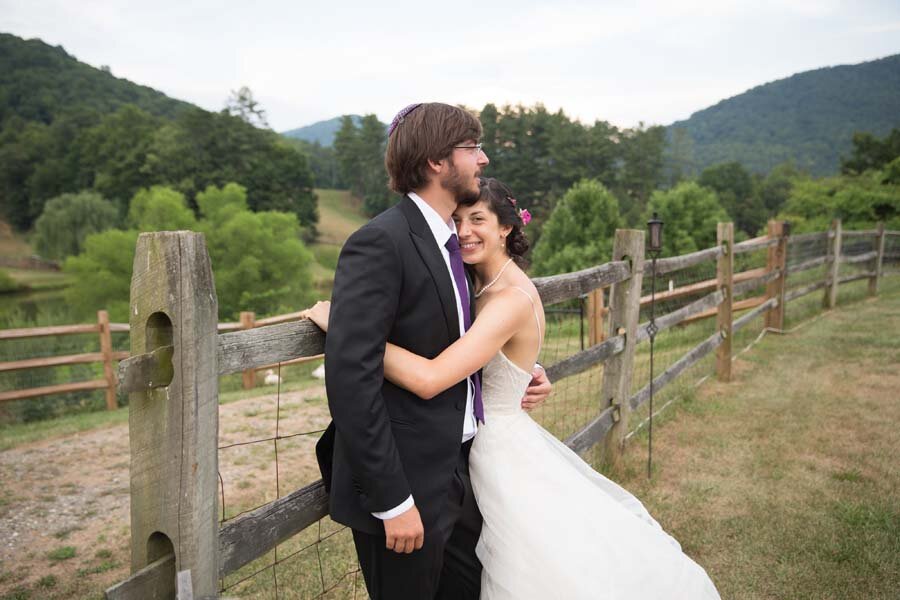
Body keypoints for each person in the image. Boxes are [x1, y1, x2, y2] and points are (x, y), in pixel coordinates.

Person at [307, 177, 722, 599]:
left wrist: (348, 330)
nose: (465, 230)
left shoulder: (510, 298)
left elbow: (431, 377)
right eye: (457, 219)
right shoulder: (471, 283)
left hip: (498, 451)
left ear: (506, 227)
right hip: (471, 447)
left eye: (478, 219)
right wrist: (528, 369)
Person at [313, 102, 552, 600]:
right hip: (407, 484)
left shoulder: (454, 250)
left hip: (463, 469)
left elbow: (458, 336)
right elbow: (351, 378)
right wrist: (392, 500)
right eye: (472, 148)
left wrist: (523, 369)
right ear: (437, 162)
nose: (483, 159)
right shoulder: (381, 242)